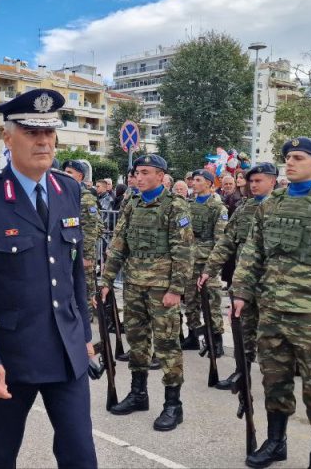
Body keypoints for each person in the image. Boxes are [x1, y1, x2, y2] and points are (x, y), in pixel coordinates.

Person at [0, 89, 97, 468]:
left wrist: (84, 336)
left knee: (81, 455)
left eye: (49, 133)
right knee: (1, 453)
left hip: (67, 352)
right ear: (8, 136)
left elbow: (73, 271)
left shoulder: (68, 189)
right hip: (10, 355)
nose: (44, 141)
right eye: (33, 132)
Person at [232, 137, 311, 469]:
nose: (290, 162)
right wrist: (241, 292)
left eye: (299, 157)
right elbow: (252, 252)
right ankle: (276, 443)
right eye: (288, 157)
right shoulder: (270, 203)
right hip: (272, 309)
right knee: (274, 380)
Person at [100, 154, 192, 430]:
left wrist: (176, 289)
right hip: (134, 285)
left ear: (161, 176)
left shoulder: (175, 207)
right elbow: (118, 244)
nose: (137, 177)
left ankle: (173, 405)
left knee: (166, 345)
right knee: (137, 341)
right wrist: (106, 280)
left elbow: (184, 252)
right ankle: (138, 394)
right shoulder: (132, 203)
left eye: (144, 172)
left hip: (162, 288)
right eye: (136, 172)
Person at [200, 162, 278, 390]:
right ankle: (241, 373)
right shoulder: (245, 208)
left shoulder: (282, 207)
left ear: (272, 181)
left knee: (271, 334)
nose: (253, 185)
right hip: (244, 279)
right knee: (242, 327)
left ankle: (274, 382)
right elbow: (226, 241)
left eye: (258, 181)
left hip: (272, 281)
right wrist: (209, 270)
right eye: (251, 181)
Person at [182, 169, 228, 353]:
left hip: (208, 261)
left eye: (198, 180)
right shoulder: (187, 205)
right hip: (190, 260)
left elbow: (221, 240)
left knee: (212, 301)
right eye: (193, 180)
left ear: (209, 183)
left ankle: (216, 340)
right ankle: (193, 335)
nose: (194, 183)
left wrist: (213, 265)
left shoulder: (218, 208)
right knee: (190, 300)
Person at [61, 160, 104, 321]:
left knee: (85, 287)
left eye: (70, 172)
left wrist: (86, 255)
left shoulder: (86, 198)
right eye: (65, 171)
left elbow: (92, 228)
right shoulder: (64, 195)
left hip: (82, 252)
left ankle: (86, 320)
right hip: (67, 250)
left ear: (80, 176)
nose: (66, 175)